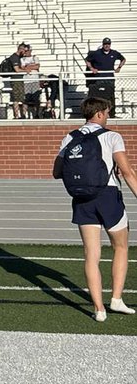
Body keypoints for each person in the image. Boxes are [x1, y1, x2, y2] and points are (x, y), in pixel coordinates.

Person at [52, 97, 137, 322]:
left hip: (82, 198)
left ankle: (99, 309)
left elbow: (57, 172)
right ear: (99, 113)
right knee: (120, 247)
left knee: (92, 254)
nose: (108, 116)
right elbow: (128, 172)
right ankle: (116, 299)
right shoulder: (112, 136)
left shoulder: (70, 137)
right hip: (108, 196)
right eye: (107, 112)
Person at [85, 39, 126, 118]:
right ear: (103, 44)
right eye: (105, 44)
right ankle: (97, 115)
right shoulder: (97, 53)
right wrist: (92, 68)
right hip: (99, 79)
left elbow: (123, 59)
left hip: (110, 78)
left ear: (110, 44)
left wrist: (119, 67)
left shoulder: (114, 53)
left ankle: (112, 114)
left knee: (111, 96)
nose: (107, 45)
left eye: (108, 44)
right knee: (98, 97)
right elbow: (87, 60)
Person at [0, 43, 27, 119]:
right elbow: (17, 70)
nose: (25, 53)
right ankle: (17, 115)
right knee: (16, 98)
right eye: (24, 51)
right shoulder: (14, 57)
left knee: (22, 98)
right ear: (21, 49)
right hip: (16, 80)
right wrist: (26, 70)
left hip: (19, 79)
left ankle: (22, 115)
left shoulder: (18, 57)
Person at [20, 44, 41, 119]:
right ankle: (23, 114)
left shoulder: (35, 57)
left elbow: (37, 66)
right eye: (25, 51)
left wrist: (28, 67)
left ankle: (36, 114)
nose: (26, 52)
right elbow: (22, 67)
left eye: (27, 51)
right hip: (26, 81)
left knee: (36, 98)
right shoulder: (22, 59)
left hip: (35, 80)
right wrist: (31, 67)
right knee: (26, 99)